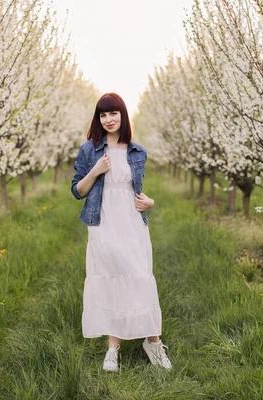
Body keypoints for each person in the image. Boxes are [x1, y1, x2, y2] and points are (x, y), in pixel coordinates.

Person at [71, 92, 171, 372]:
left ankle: (153, 343)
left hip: (132, 222)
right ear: (98, 119)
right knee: (113, 278)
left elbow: (135, 190)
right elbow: (77, 191)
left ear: (122, 115)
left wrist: (150, 202)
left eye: (113, 113)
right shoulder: (89, 149)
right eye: (103, 115)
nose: (109, 119)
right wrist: (96, 170)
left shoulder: (137, 151)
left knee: (139, 277)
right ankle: (112, 350)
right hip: (103, 222)